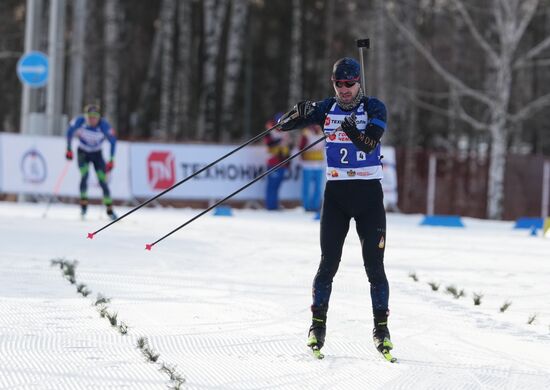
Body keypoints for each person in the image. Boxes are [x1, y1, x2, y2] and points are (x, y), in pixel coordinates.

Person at [279, 57, 391, 358]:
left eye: (349, 84)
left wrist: (353, 130)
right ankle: (317, 325)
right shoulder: (327, 107)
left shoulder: (375, 108)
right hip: (337, 196)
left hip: (368, 196)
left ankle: (381, 330)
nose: (343, 89)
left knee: (374, 267)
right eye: (338, 84)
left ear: (359, 83)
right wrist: (295, 114)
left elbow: (369, 144)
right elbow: (285, 125)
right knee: (328, 263)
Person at [65, 104, 117, 220]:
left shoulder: (104, 125)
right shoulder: (80, 121)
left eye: (95, 117)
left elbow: (113, 141)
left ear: (99, 117)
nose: (92, 119)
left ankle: (110, 210)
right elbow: (69, 132)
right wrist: (68, 149)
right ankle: (83, 206)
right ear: (86, 116)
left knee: (102, 180)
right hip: (83, 152)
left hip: (97, 154)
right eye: (90, 116)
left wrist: (112, 159)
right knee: (85, 175)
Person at [264, 113, 292, 210]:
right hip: (273, 161)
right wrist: (279, 140)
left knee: (277, 186)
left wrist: (288, 161)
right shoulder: (270, 131)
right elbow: (269, 143)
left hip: (283, 161)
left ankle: (274, 205)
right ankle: (270, 206)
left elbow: (288, 146)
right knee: (272, 185)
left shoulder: (285, 131)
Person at [298, 124, 325, 212]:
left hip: (318, 164)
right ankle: (307, 206)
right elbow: (301, 147)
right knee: (307, 187)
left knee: (318, 187)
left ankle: (316, 206)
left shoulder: (322, 133)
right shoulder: (306, 133)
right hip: (308, 164)